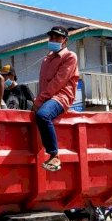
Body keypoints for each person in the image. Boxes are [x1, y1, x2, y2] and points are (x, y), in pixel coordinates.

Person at [33, 26, 79, 172]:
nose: (53, 40)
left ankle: (54, 155)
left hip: (61, 97)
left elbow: (58, 82)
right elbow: (43, 83)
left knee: (43, 115)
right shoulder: (47, 59)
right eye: (51, 37)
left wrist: (40, 101)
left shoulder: (70, 56)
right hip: (47, 97)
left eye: (57, 37)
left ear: (65, 40)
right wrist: (38, 99)